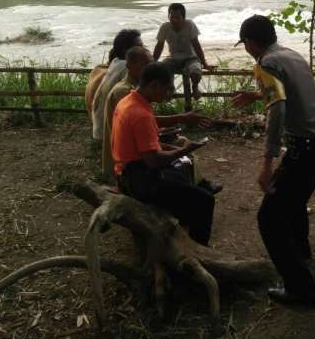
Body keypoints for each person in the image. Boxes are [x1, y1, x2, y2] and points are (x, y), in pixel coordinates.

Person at [232, 15, 315, 308]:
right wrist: (256, 95)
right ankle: (301, 253)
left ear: (250, 42)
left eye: (245, 44)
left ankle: (303, 291)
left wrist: (267, 162)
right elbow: (290, 92)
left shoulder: (265, 63)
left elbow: (278, 110)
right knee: (294, 201)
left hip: (305, 149)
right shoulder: (291, 55)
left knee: (269, 219)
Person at [111, 61, 215, 245]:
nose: (167, 95)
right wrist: (185, 150)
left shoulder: (129, 101)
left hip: (124, 172)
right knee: (205, 200)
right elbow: (153, 161)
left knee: (183, 170)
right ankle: (197, 248)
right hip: (138, 180)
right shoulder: (140, 114)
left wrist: (182, 120)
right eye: (166, 90)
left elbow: (150, 123)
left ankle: (182, 219)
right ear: (155, 85)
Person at [102, 46, 219, 188]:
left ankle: (197, 183)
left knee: (181, 145)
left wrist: (170, 126)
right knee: (184, 150)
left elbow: (144, 123)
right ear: (129, 66)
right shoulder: (125, 92)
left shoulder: (136, 93)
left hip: (132, 161)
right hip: (133, 169)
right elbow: (142, 127)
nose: (149, 67)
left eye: (150, 63)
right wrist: (182, 147)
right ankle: (195, 186)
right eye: (145, 64)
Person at [153, 3, 214, 100]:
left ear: (183, 17)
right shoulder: (165, 27)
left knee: (196, 73)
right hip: (173, 59)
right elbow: (159, 46)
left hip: (191, 58)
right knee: (163, 69)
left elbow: (196, 45)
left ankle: (195, 87)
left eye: (177, 17)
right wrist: (153, 62)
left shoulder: (190, 25)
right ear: (168, 16)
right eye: (172, 17)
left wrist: (204, 63)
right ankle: (170, 89)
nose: (174, 20)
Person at [91, 29, 143, 141]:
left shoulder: (115, 61)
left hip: (100, 127)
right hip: (110, 131)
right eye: (139, 46)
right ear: (126, 50)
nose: (142, 49)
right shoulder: (127, 67)